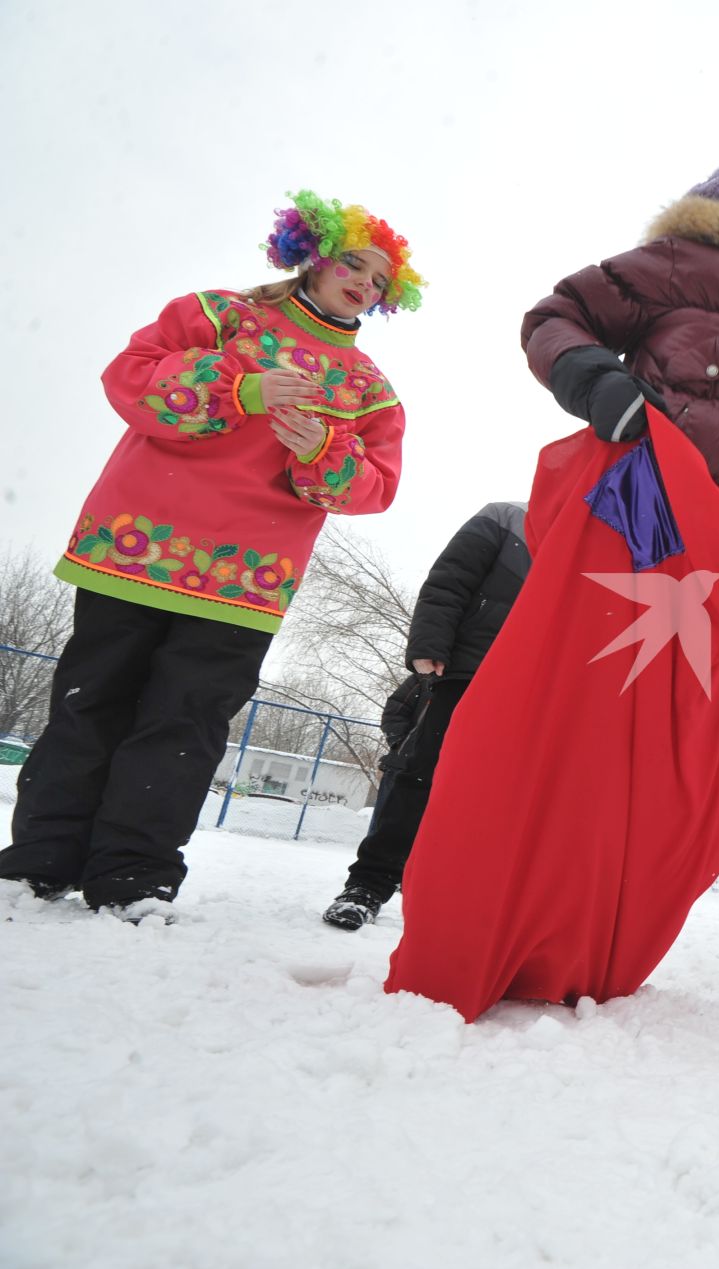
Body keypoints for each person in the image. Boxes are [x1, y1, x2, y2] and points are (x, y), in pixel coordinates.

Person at [385, 163, 719, 1021]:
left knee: (690, 768)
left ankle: (603, 937)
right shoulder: (673, 264)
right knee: (586, 716)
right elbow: (553, 318)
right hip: (648, 496)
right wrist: (597, 383)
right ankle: (495, 918)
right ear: (717, 211)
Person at [0, 191, 418, 921]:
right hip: (133, 548)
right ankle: (37, 861)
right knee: (88, 703)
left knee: (184, 727)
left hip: (246, 580)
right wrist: (242, 388)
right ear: (312, 254)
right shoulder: (222, 315)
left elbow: (374, 488)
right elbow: (129, 380)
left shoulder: (371, 390)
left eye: (380, 279)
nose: (363, 282)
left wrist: (321, 448)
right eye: (353, 262)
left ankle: (133, 877)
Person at [321, 502, 529, 930]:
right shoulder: (506, 516)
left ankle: (471, 900)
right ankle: (368, 885)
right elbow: (449, 581)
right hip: (470, 672)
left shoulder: (610, 533)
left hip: (542, 686)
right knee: (418, 776)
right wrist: (429, 644)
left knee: (510, 797)